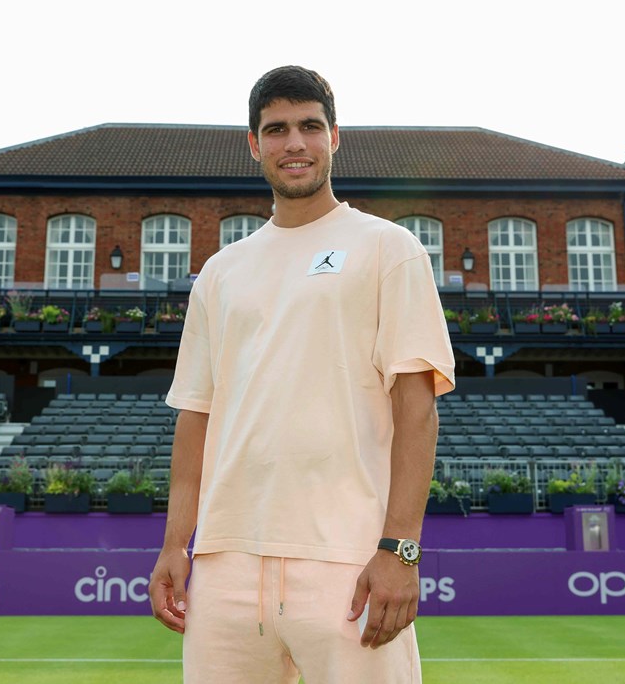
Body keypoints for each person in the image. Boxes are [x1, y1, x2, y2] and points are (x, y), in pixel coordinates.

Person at [149, 65, 455, 683]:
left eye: (310, 127)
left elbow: (416, 409)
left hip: (345, 560)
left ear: (334, 138)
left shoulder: (388, 248)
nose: (295, 143)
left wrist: (400, 548)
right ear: (254, 144)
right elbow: (196, 415)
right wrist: (174, 545)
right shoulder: (220, 272)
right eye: (277, 129)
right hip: (225, 562)